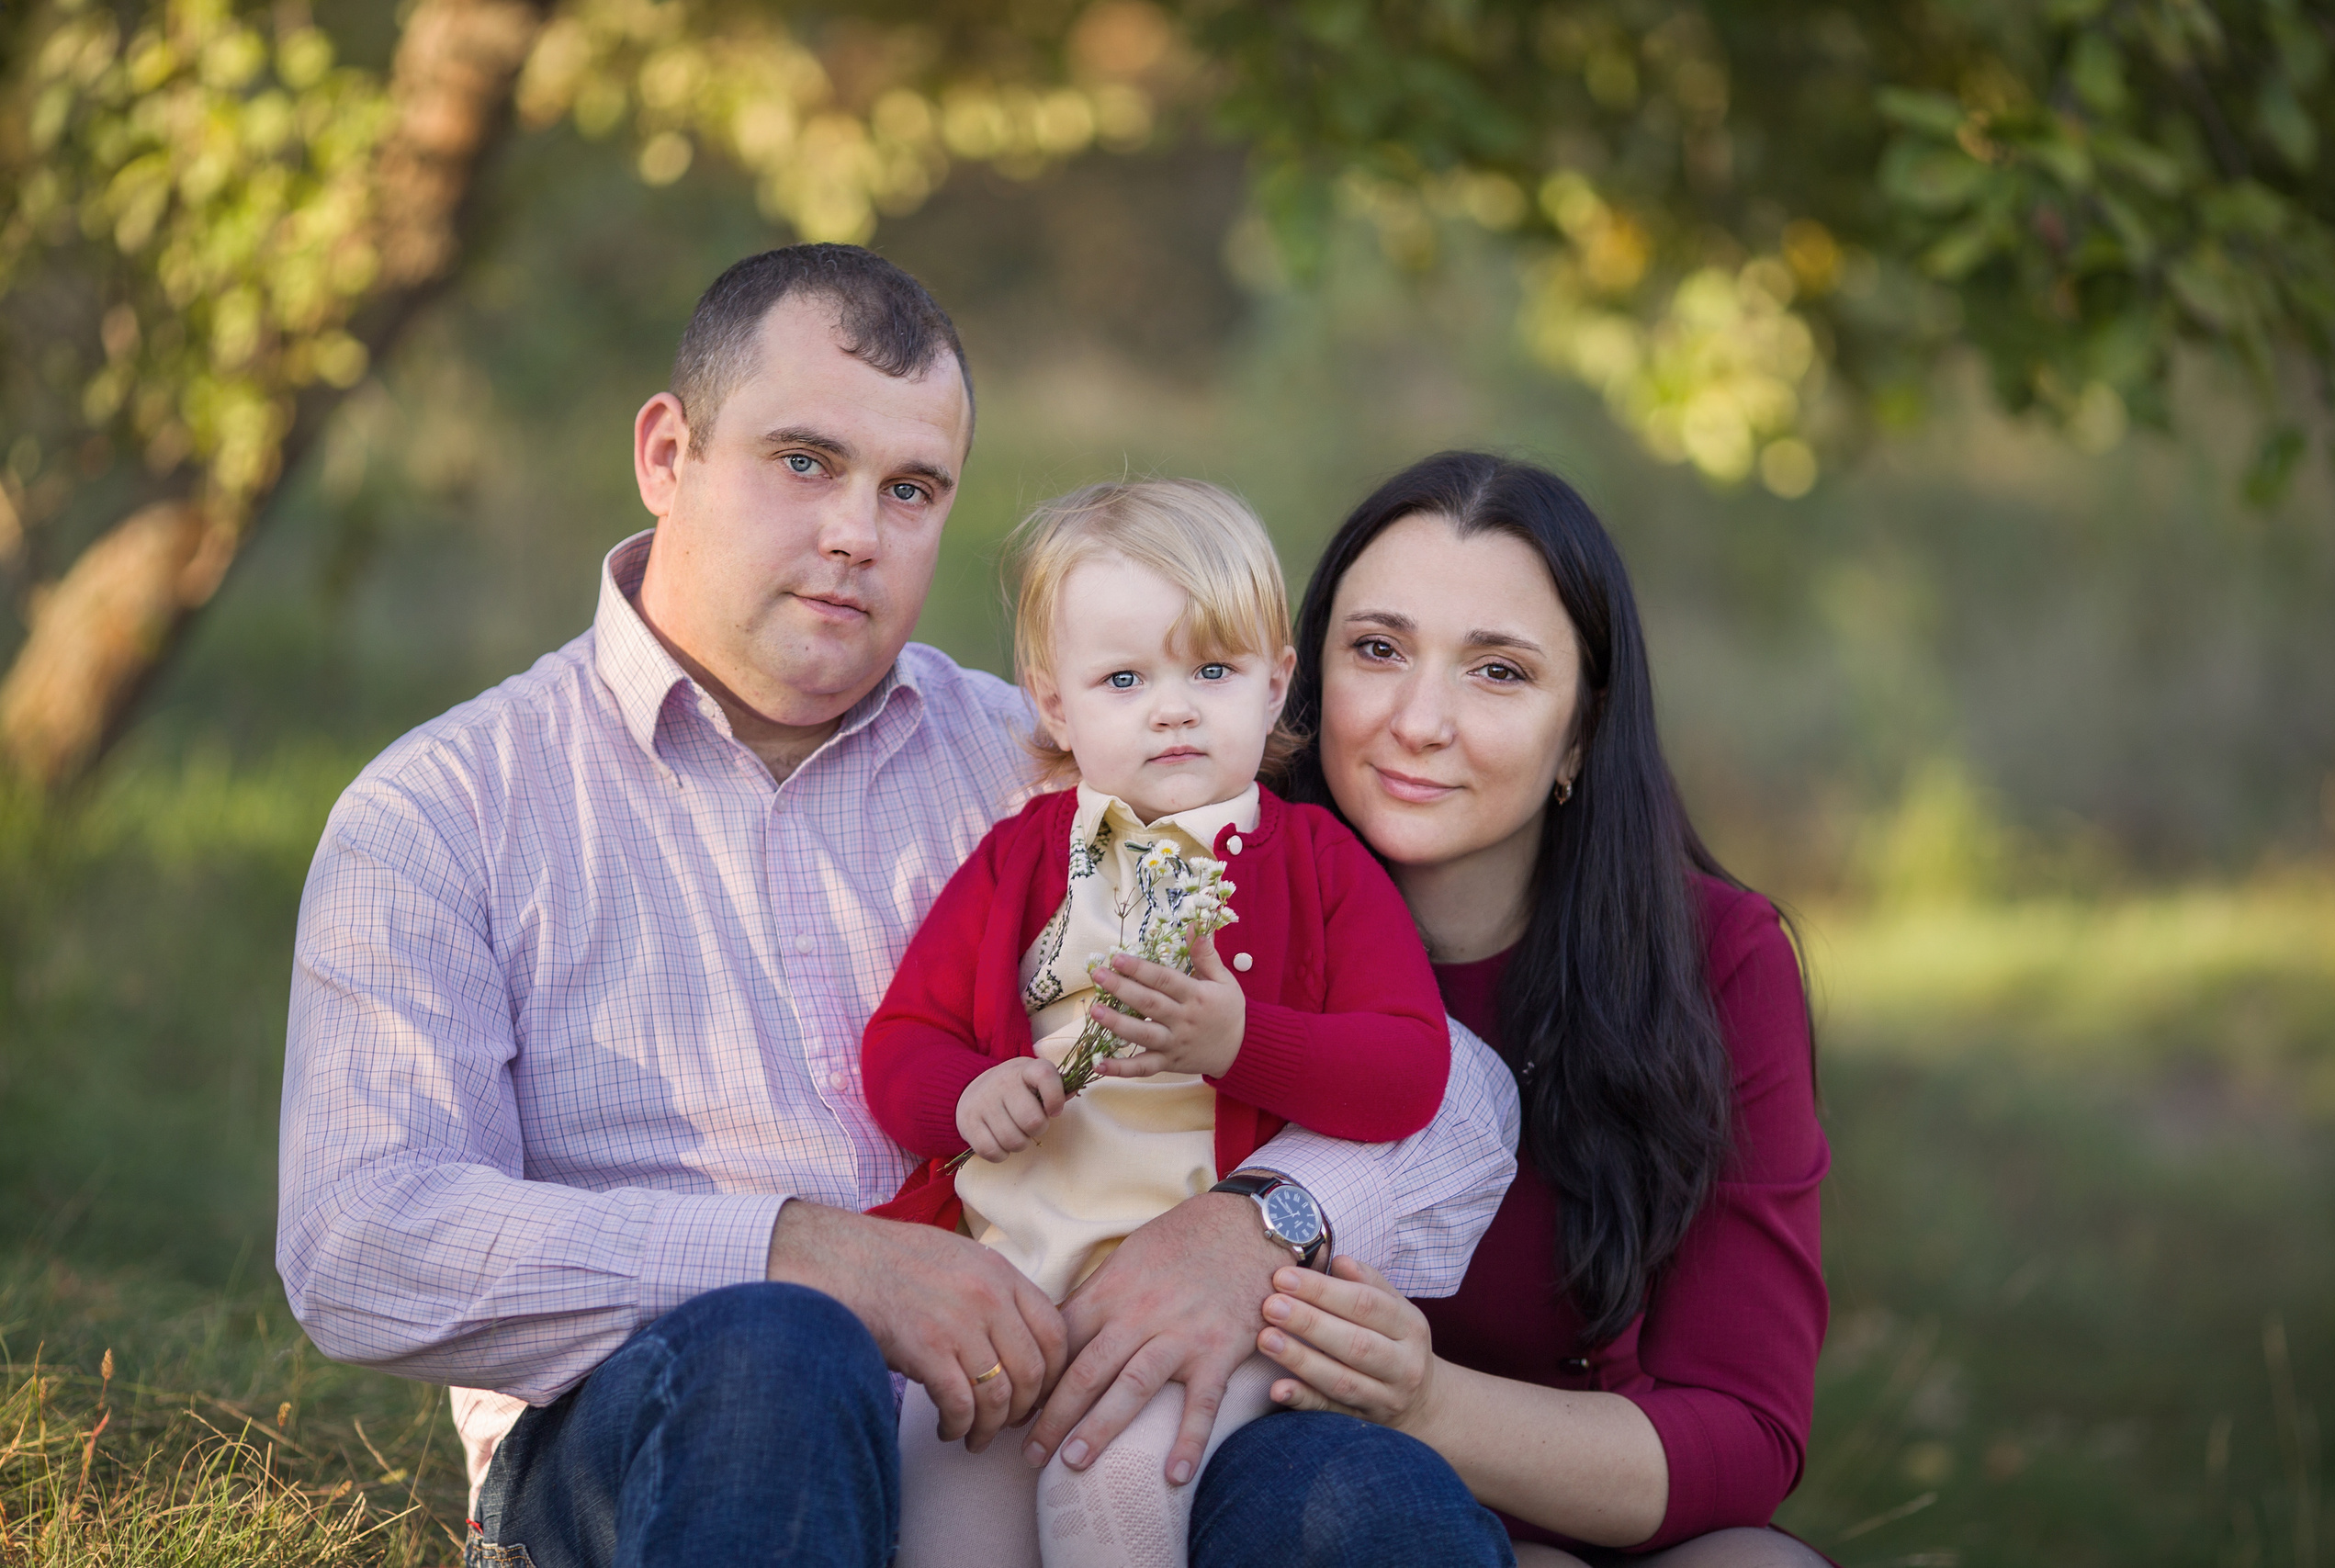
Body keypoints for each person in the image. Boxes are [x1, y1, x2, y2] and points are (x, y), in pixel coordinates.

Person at [276, 249, 1521, 1568]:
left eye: (911, 487)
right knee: (776, 1347)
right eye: (803, 460)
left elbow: (1465, 1099)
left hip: (1037, 1409)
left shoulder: (1050, 758)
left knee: (1356, 1493)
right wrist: (805, 1254)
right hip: (661, 1434)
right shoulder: (448, 807)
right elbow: (361, 1236)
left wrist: (1248, 1226)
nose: (856, 532)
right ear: (667, 451)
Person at [1232, 451, 1833, 1566]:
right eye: (1378, 650)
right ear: (1303, 677)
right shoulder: (1212, 905)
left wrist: (1424, 1403)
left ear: (1582, 730)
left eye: (1497, 672)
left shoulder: (1714, 962)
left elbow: (1745, 1431)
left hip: (1556, 1497)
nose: (1420, 721)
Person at [861, 479, 1461, 1568]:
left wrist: (1242, 1045)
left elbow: (1409, 1070)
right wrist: (963, 1091)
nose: (1172, 708)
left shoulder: (1319, 865)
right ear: (1054, 705)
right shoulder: (1022, 859)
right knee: (943, 1507)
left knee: (1116, 1482)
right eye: (1124, 679)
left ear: (1278, 683)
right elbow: (902, 1039)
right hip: (1011, 1284)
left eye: (1213, 671)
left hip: (1211, 1300)